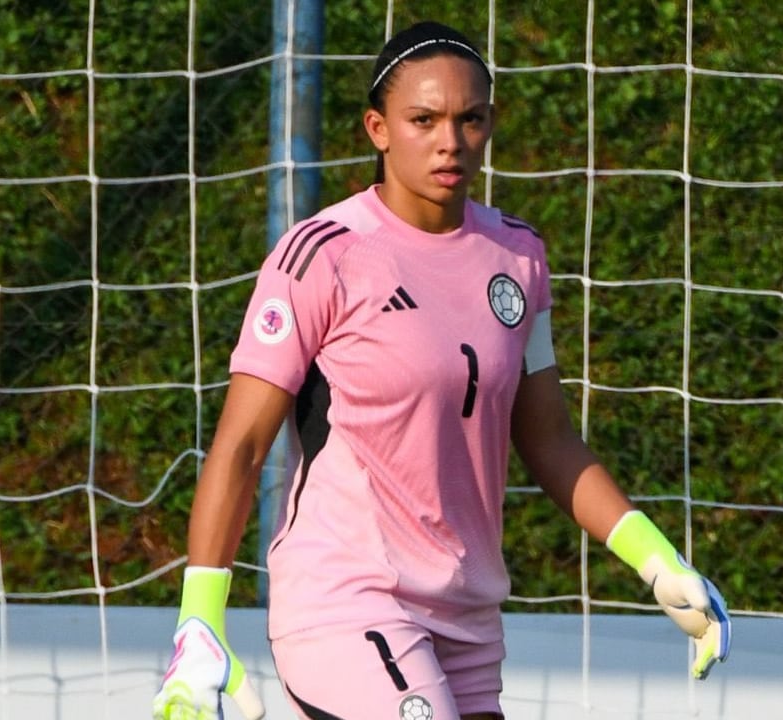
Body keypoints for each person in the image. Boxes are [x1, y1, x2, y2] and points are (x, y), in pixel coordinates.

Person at [152, 20, 730, 720]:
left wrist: (658, 560)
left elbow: (549, 439)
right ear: (378, 128)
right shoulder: (321, 256)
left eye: (469, 119)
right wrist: (199, 619)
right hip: (345, 599)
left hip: (467, 615)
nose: (449, 140)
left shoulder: (519, 256)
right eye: (422, 119)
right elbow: (241, 445)